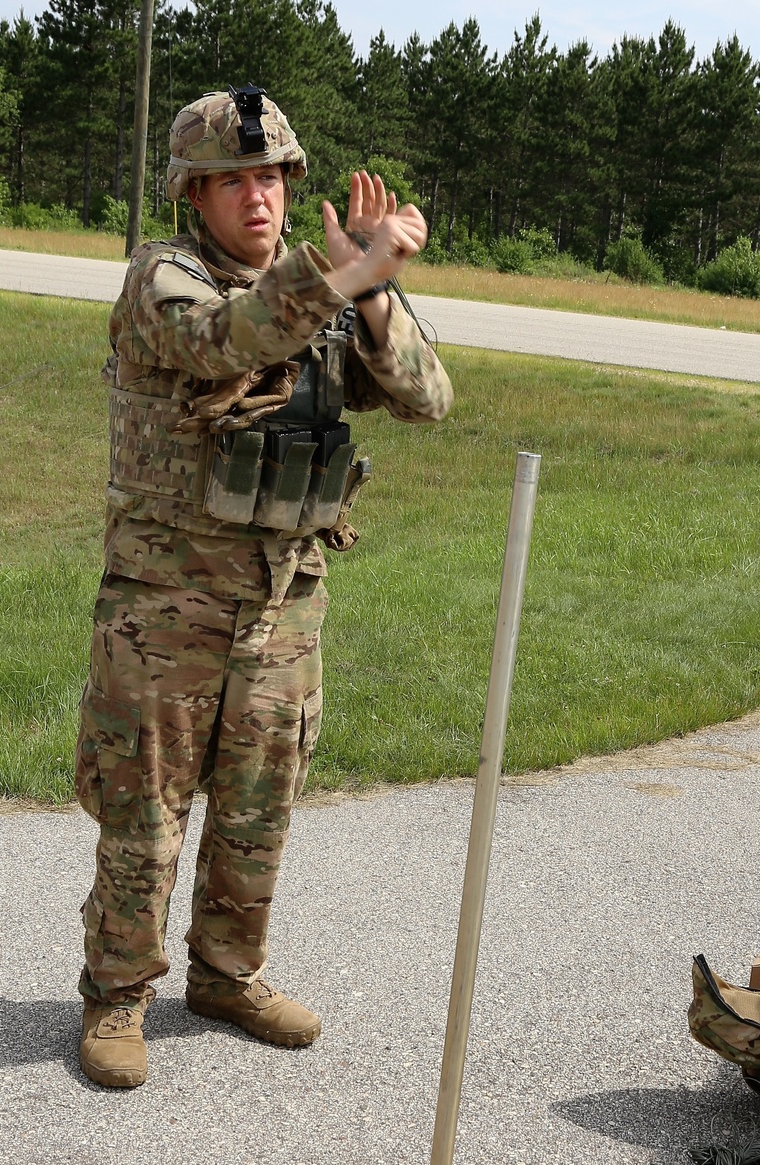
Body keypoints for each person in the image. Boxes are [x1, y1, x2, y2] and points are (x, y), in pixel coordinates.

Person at [75, 85, 453, 1089]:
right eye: (231, 180)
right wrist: (338, 276)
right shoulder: (164, 281)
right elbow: (232, 340)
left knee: (258, 805)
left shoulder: (328, 289)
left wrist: (373, 290)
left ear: (291, 185)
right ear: (192, 195)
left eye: (271, 176)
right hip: (167, 606)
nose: (257, 198)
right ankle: (117, 994)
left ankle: (226, 976)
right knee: (144, 812)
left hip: (286, 598)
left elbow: (427, 397)